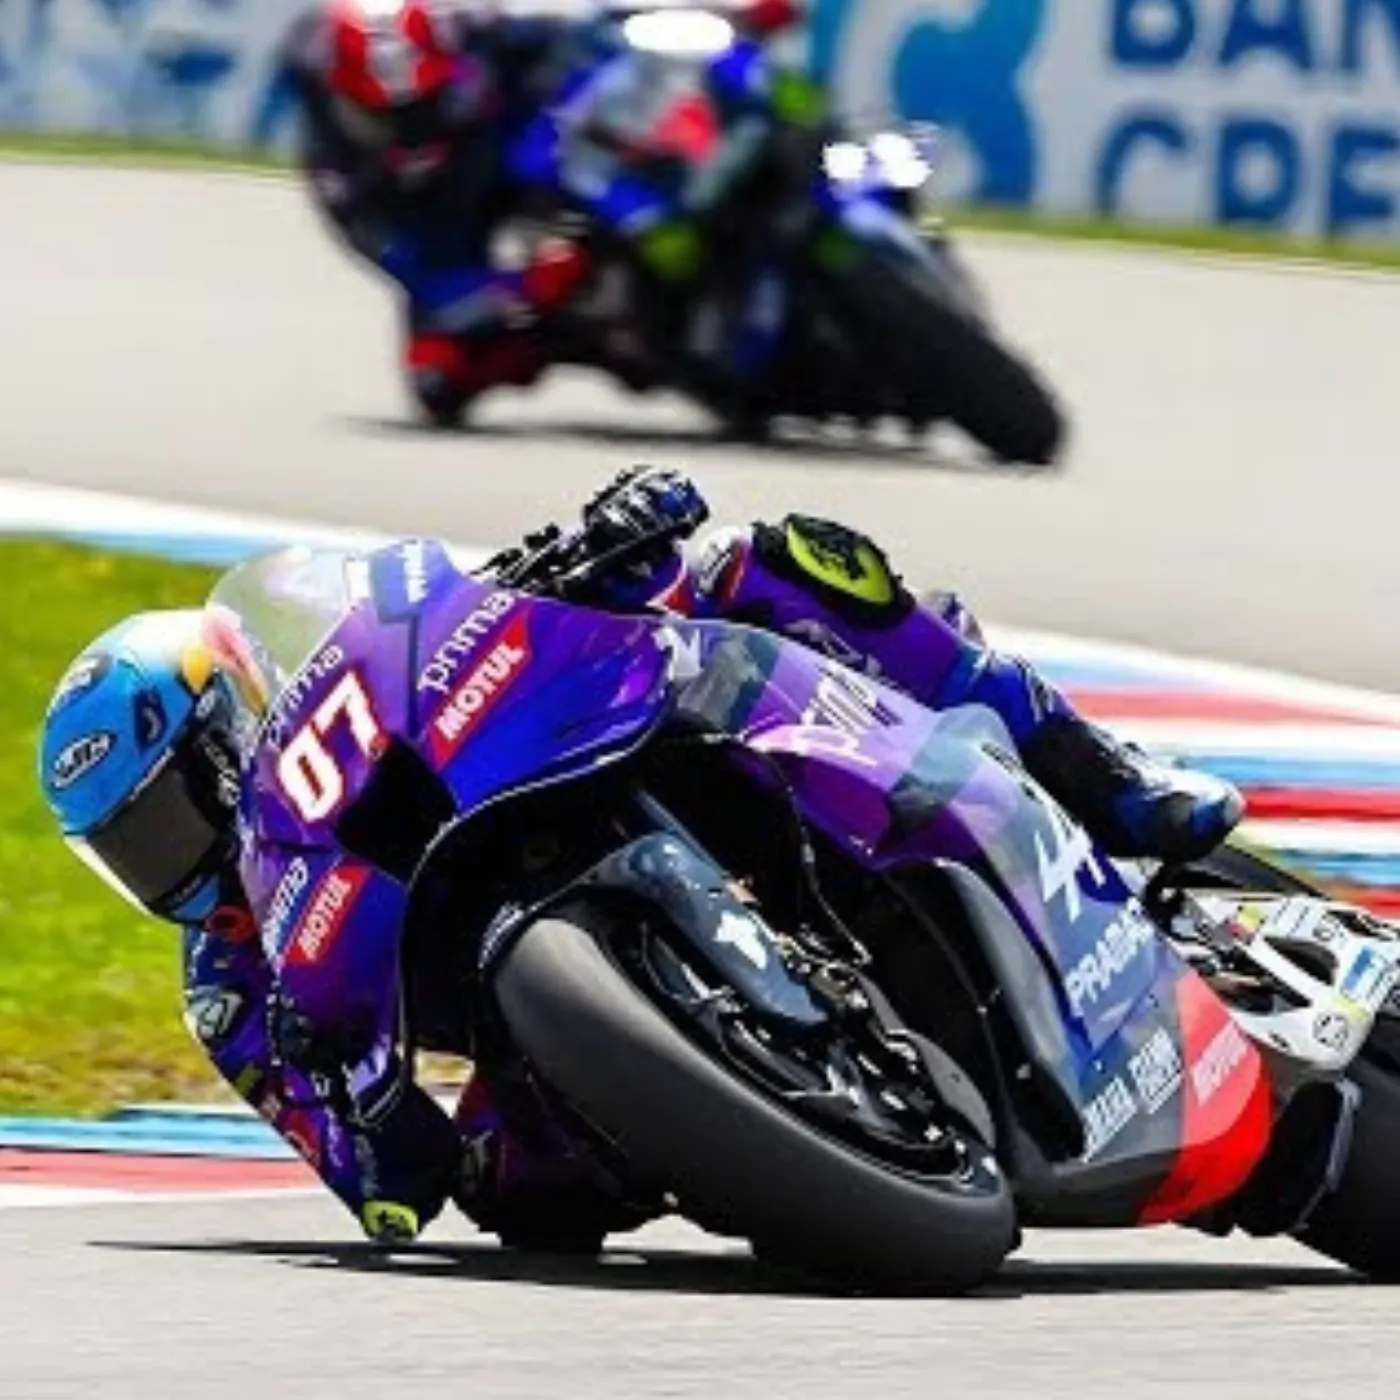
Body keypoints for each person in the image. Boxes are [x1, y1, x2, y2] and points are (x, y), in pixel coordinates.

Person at [37, 467, 1243, 1249]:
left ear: (231, 719)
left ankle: (1100, 772)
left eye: (173, 815)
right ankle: (786, 1129)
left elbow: (465, 614)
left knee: (763, 560)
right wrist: (339, 1077)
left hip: (574, 748)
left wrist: (598, 546)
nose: (175, 868)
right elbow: (394, 1197)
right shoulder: (231, 988)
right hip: (552, 1048)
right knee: (521, 1203)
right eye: (134, 854)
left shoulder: (341, 697)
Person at [281, 0, 809, 427]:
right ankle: (638, 338)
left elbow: (599, 16)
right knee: (438, 375)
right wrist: (525, 283)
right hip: (478, 241)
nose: (413, 131)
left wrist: (729, 13)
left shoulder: (481, 28)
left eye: (425, 107)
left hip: (561, 143)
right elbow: (424, 280)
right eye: (389, 119)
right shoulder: (346, 183)